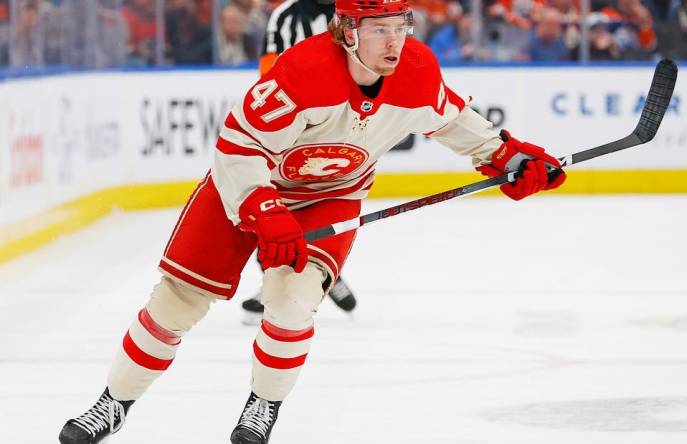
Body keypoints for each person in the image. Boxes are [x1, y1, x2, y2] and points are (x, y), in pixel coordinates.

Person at [57, 1, 566, 443]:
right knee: (177, 301)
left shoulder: (416, 70)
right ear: (348, 32)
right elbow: (239, 146)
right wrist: (262, 210)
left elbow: (454, 121)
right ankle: (114, 403)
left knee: (293, 304)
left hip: (330, 196)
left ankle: (262, 406)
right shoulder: (303, 71)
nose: (395, 40)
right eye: (380, 28)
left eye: (400, 25)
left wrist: (508, 158)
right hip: (247, 187)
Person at [244, 0, 357, 324]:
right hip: (291, 125)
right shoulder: (285, 17)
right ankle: (278, 281)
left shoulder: (352, 11)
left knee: (328, 201)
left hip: (341, 124)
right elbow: (268, 76)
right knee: (275, 206)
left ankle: (321, 270)